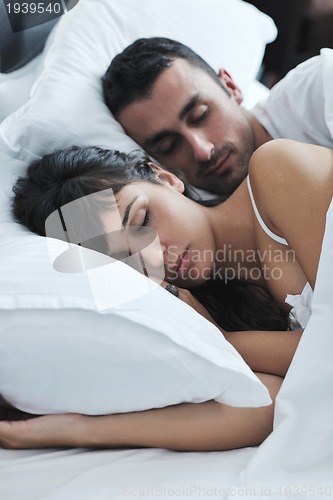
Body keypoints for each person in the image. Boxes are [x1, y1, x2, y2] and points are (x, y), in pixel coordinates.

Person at [2, 137, 332, 451]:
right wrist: (76, 429)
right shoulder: (209, 309)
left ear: (165, 177)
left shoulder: (277, 168)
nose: (153, 256)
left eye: (142, 219)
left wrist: (227, 341)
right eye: (123, 260)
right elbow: (260, 405)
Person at [102, 37, 333, 196]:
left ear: (231, 87)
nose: (202, 151)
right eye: (169, 146)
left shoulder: (319, 86)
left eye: (200, 115)